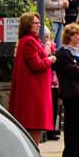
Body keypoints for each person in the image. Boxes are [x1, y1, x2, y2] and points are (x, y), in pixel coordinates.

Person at [9, 12, 53, 143]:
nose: (39, 25)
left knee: (32, 125)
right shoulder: (29, 42)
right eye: (36, 23)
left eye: (39, 23)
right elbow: (36, 64)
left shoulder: (27, 41)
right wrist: (50, 60)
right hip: (34, 91)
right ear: (28, 25)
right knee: (34, 124)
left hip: (32, 90)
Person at [54, 24, 79, 157]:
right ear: (69, 36)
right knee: (72, 123)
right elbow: (73, 70)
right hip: (72, 92)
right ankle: (71, 151)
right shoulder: (63, 53)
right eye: (76, 34)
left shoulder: (78, 51)